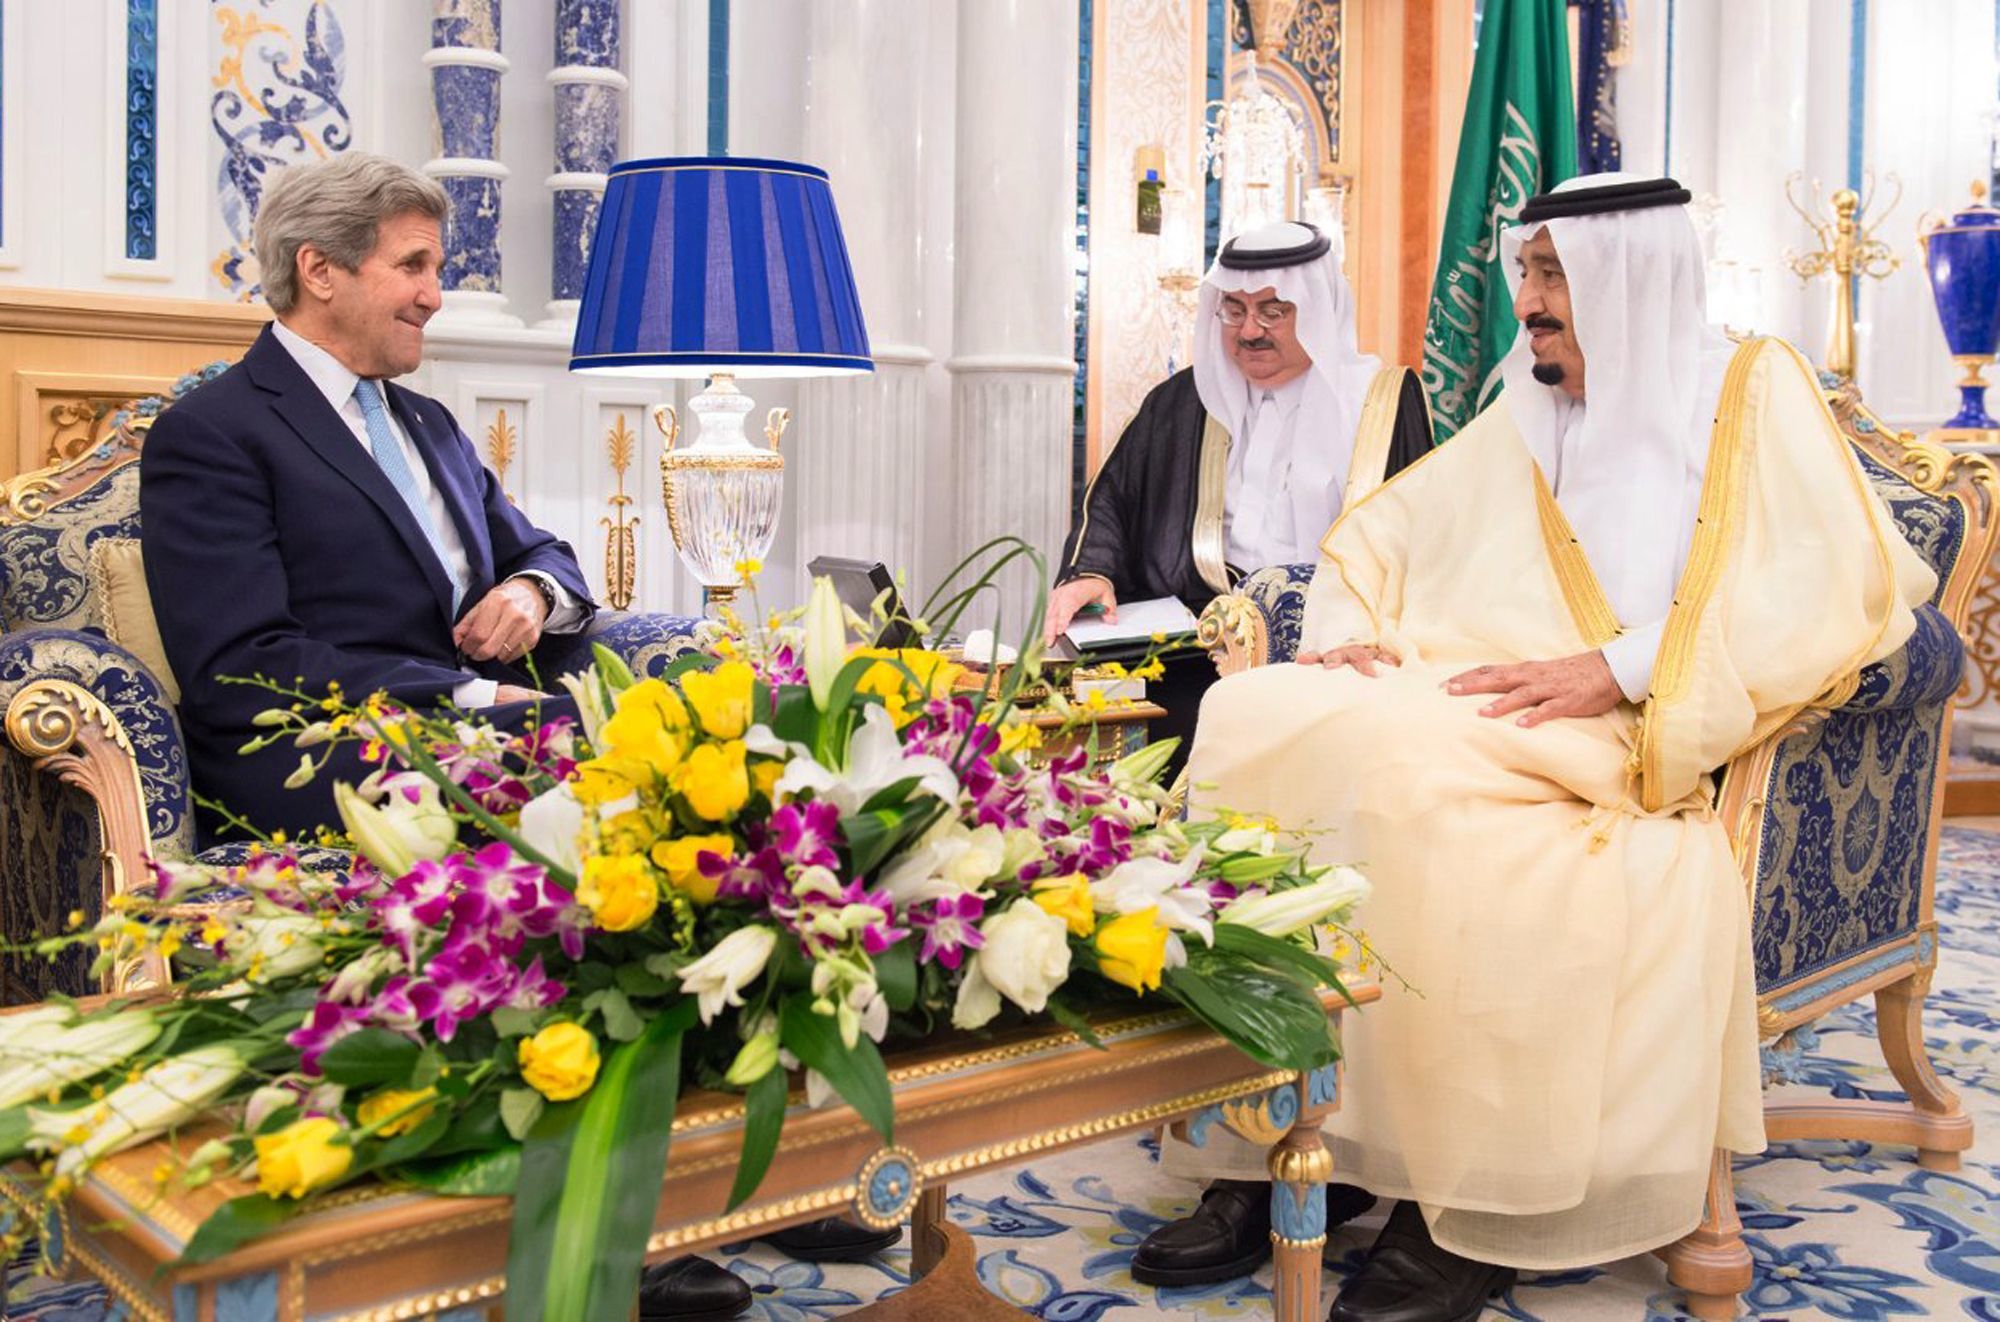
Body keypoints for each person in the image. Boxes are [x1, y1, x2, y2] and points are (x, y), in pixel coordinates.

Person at [1148, 174, 1936, 1322]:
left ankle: (1462, 1197)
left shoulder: (1746, 389)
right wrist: (1351, 632)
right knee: (1255, 722)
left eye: (1554, 273)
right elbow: (1381, 534)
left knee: (1424, 800)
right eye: (1526, 271)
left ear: (1630, 272)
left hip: (1634, 717)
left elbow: (1831, 586)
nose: (1529, 298)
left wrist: (1615, 668)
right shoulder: (1527, 399)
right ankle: (1258, 1129)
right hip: (1480, 686)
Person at [140, 152, 885, 1322]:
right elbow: (241, 663)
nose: (437, 291)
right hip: (344, 762)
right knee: (610, 837)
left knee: (727, 808)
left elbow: (550, 554)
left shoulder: (428, 422)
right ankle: (619, 1209)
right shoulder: (216, 433)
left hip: (497, 733)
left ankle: (738, 1168)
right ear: (319, 270)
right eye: (415, 266)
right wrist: (473, 706)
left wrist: (533, 597)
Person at [1044, 220, 1431, 765]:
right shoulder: (1183, 401)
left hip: (1333, 652)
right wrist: (1091, 570)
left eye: (1274, 311)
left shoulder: (1382, 402)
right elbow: (1113, 498)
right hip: (1198, 649)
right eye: (1234, 310)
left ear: (1317, 311)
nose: (1250, 331)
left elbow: (1423, 540)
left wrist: (1371, 635)